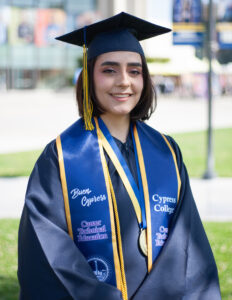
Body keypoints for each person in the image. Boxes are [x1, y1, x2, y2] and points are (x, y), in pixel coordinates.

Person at [18, 12, 221, 300]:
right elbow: (47, 249)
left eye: (135, 71)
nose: (124, 81)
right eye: (109, 70)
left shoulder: (167, 151)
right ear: (89, 77)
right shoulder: (61, 156)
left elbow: (188, 244)